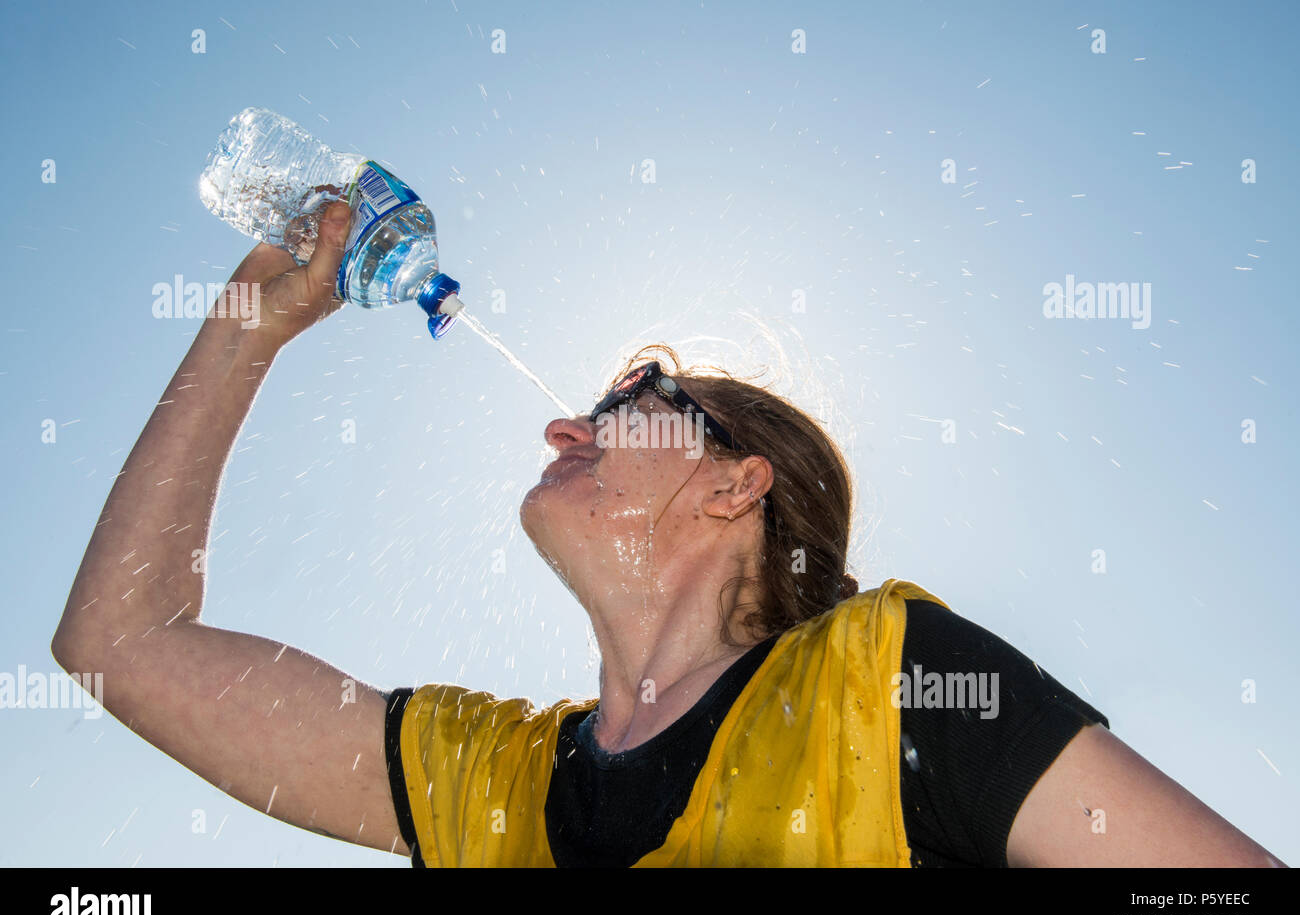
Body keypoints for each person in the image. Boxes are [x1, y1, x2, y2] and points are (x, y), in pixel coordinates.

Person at [52, 201, 1284, 867]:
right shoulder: (493, 780)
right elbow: (119, 641)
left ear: (736, 487)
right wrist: (241, 329)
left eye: (629, 399)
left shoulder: (887, 681)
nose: (559, 428)